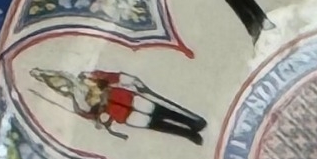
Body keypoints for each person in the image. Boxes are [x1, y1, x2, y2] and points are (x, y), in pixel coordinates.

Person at [33, 65, 207, 145]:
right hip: (122, 114)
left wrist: (129, 80)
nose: (64, 87)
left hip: (127, 98)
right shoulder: (78, 105)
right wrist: (101, 121)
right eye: (60, 87)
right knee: (158, 125)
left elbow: (112, 77)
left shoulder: (90, 76)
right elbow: (93, 117)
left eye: (62, 82)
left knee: (163, 112)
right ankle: (187, 133)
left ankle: (191, 122)